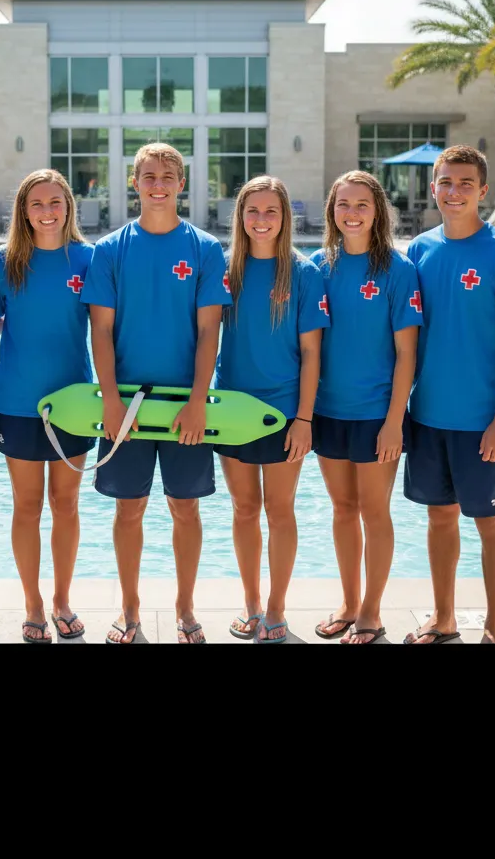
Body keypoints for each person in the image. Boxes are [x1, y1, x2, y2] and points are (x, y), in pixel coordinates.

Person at [81, 142, 231, 644]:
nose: (159, 184)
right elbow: (100, 331)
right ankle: (130, 609)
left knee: (185, 507)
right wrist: (109, 400)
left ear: (181, 184)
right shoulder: (110, 250)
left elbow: (210, 332)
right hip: (125, 402)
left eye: (169, 176)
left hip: (184, 405)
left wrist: (196, 401)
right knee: (129, 508)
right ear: (135, 181)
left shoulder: (205, 249)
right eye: (149, 175)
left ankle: (186, 608)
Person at [403, 145, 495, 645]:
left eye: (464, 184)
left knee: (490, 522)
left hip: (483, 420)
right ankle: (444, 619)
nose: (453, 192)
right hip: (430, 415)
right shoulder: (419, 251)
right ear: (433, 187)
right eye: (445, 182)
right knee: (440, 518)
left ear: (482, 191)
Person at [309, 171, 422, 644]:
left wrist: (395, 421)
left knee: (375, 512)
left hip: (377, 414)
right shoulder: (318, 265)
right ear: (332, 211)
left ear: (378, 212)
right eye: (342, 205)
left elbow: (407, 356)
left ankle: (372, 611)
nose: (351, 213)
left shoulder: (398, 271)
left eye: (361, 205)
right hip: (328, 412)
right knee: (342, 508)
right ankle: (349, 601)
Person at [214, 176, 329, 644]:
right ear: (240, 218)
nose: (261, 221)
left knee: (280, 511)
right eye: (252, 212)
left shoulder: (303, 274)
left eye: (271, 212)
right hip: (231, 411)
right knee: (244, 509)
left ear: (286, 219)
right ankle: (252, 604)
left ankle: (277, 609)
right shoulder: (224, 271)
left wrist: (303, 418)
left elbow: (312, 355)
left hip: (283, 413)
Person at [0, 169, 94, 644]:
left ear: (69, 206)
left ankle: (62, 600)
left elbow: (110, 329)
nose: (47, 212)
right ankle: (32, 603)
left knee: (66, 504)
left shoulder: (89, 260)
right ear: (23, 211)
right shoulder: (3, 262)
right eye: (37, 204)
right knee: (27, 506)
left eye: (56, 202)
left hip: (74, 402)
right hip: (17, 402)